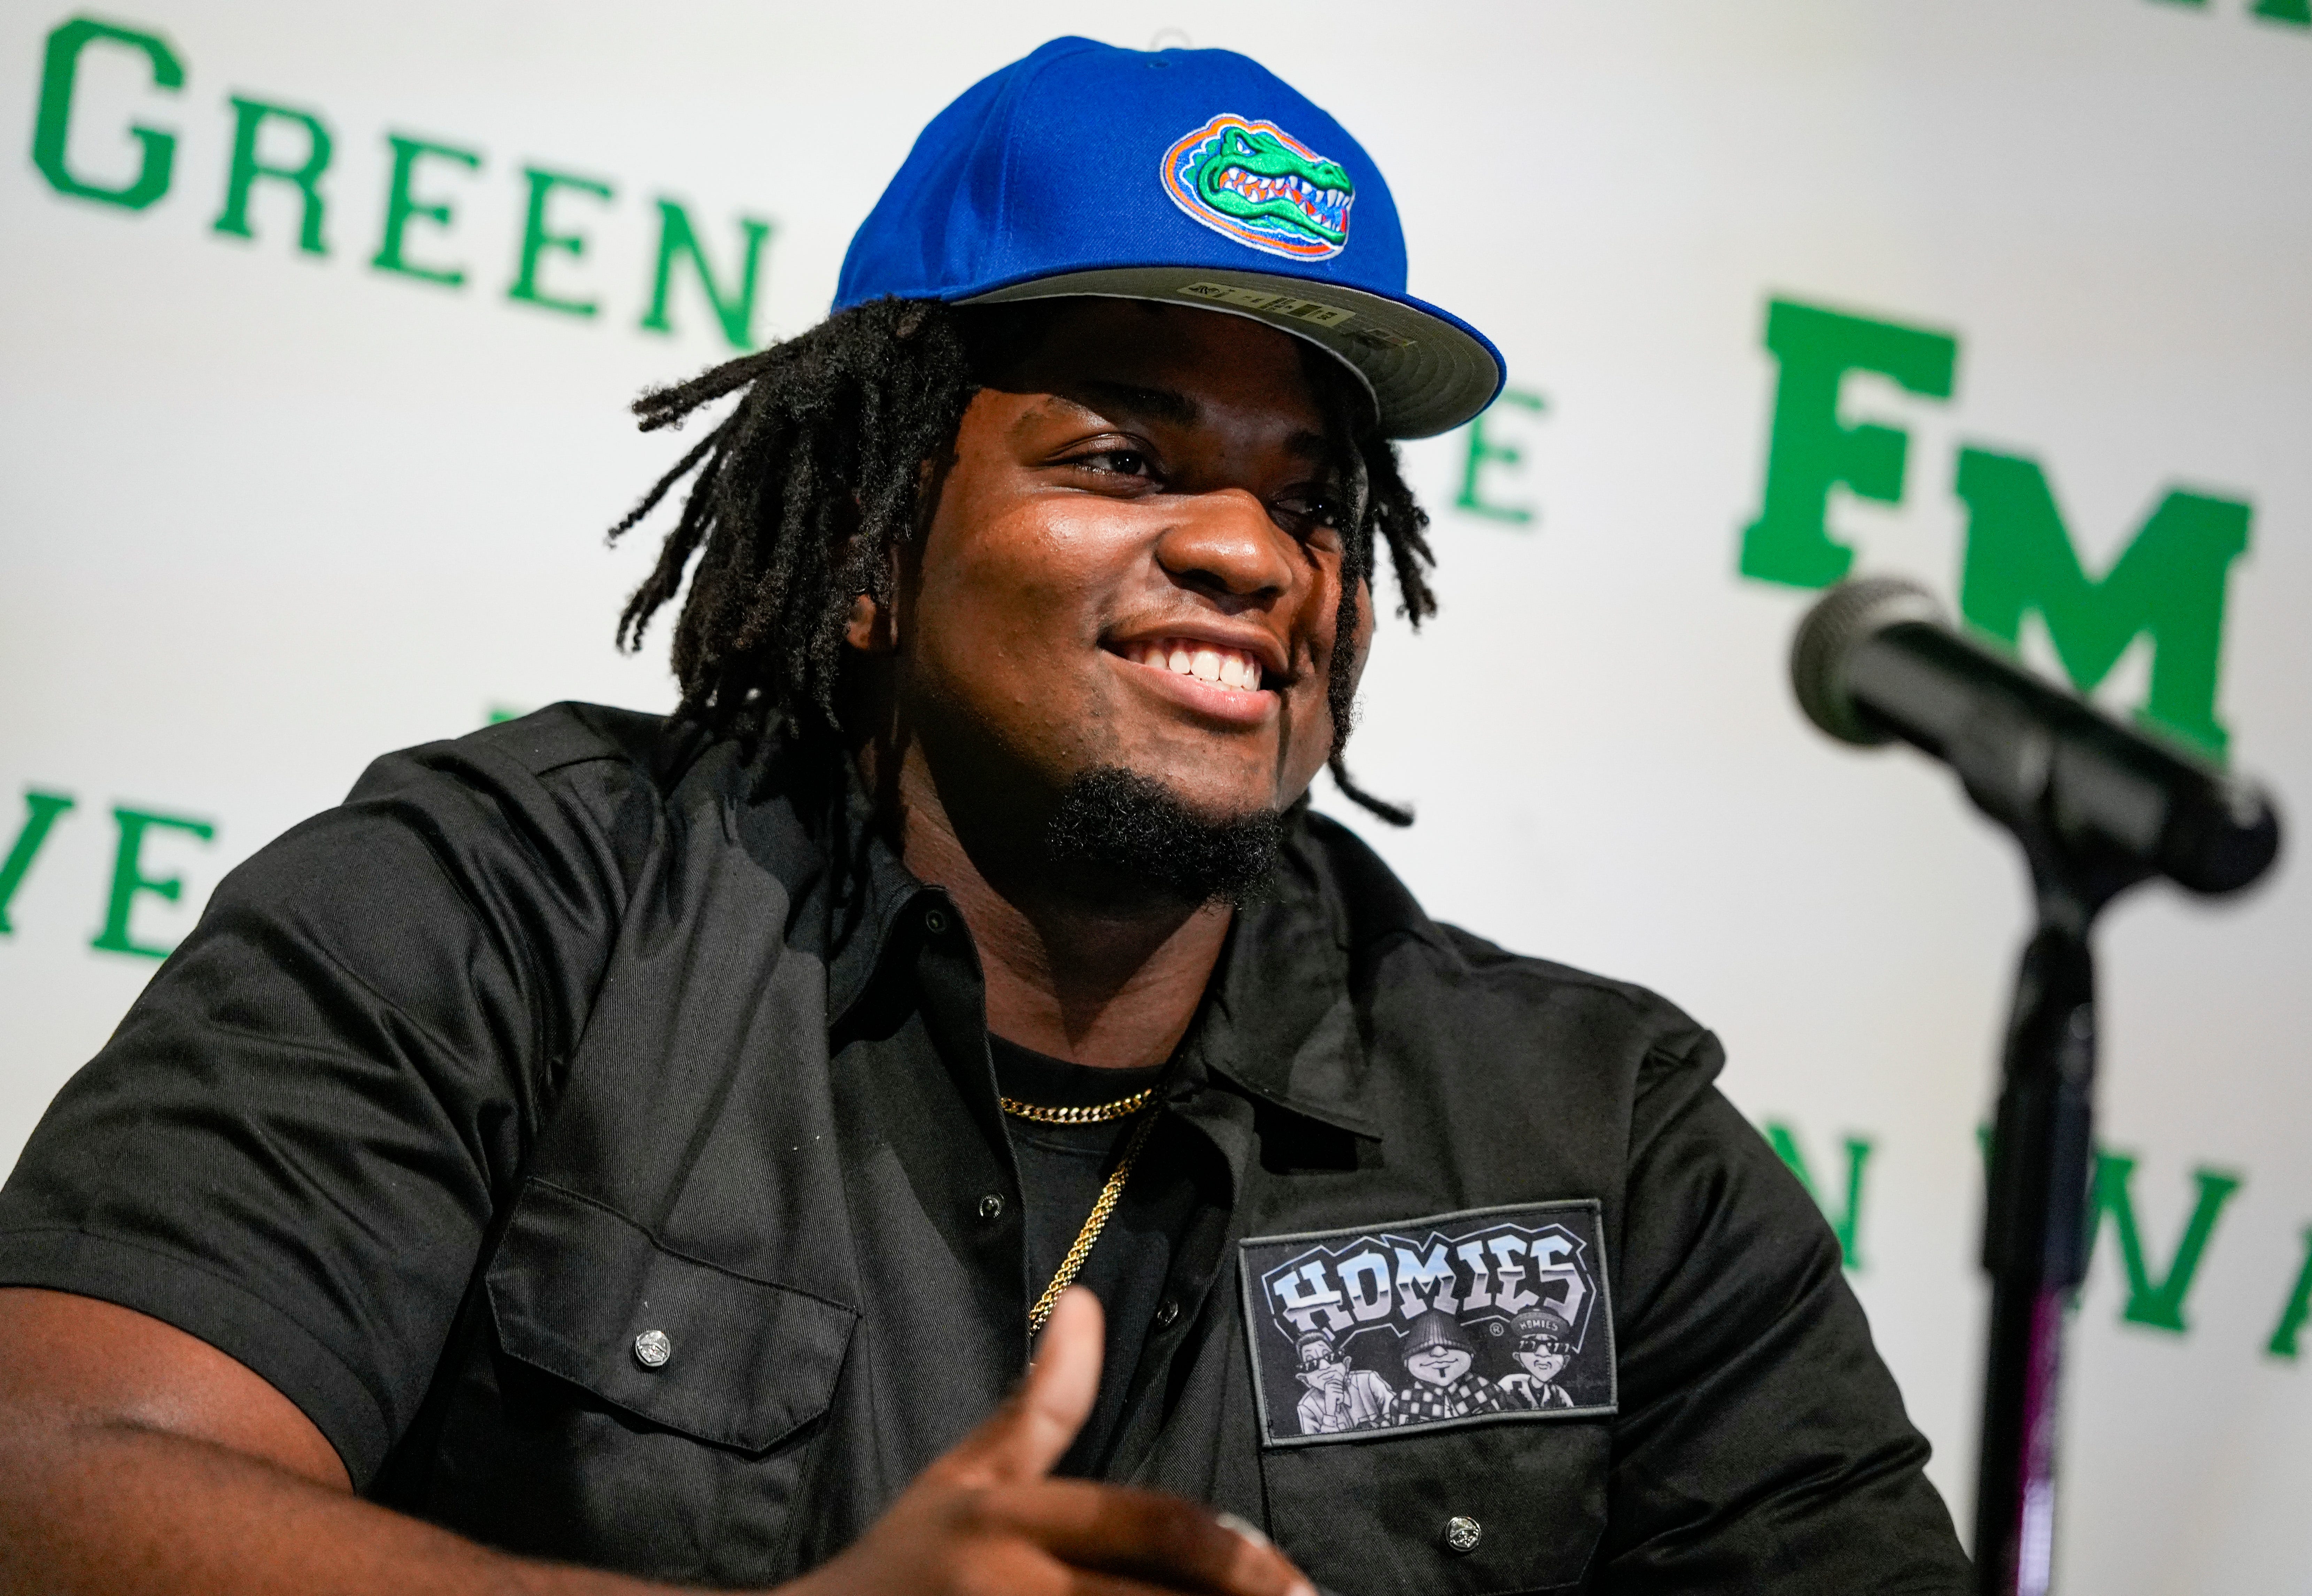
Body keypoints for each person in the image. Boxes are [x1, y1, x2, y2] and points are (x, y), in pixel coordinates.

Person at [0, 35, 1972, 1596]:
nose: (1243, 549)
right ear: (871, 540)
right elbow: (58, 1478)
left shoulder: (1592, 1147)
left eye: (1308, 495)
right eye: (1122, 453)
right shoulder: (504, 907)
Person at [1388, 1311, 1505, 1425]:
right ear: (1406, 1362)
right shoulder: (1403, 1402)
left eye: (1450, 1346)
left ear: (1471, 1355)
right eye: (1424, 1349)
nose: (1439, 1353)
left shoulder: (1487, 1389)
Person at [1292, 1332, 1396, 1435]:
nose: (1325, 1367)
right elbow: (1315, 1448)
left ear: (1346, 1364)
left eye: (1330, 1357)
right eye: (1312, 1364)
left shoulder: (1368, 1380)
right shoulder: (1307, 1406)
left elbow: (1398, 1415)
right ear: (1305, 1380)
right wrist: (1330, 1413)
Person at [1498, 1309, 1579, 1412]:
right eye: (1529, 1345)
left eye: (1554, 1347)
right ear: (1518, 1357)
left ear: (1566, 1360)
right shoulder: (1509, 1385)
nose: (1543, 1354)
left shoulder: (1559, 1394)